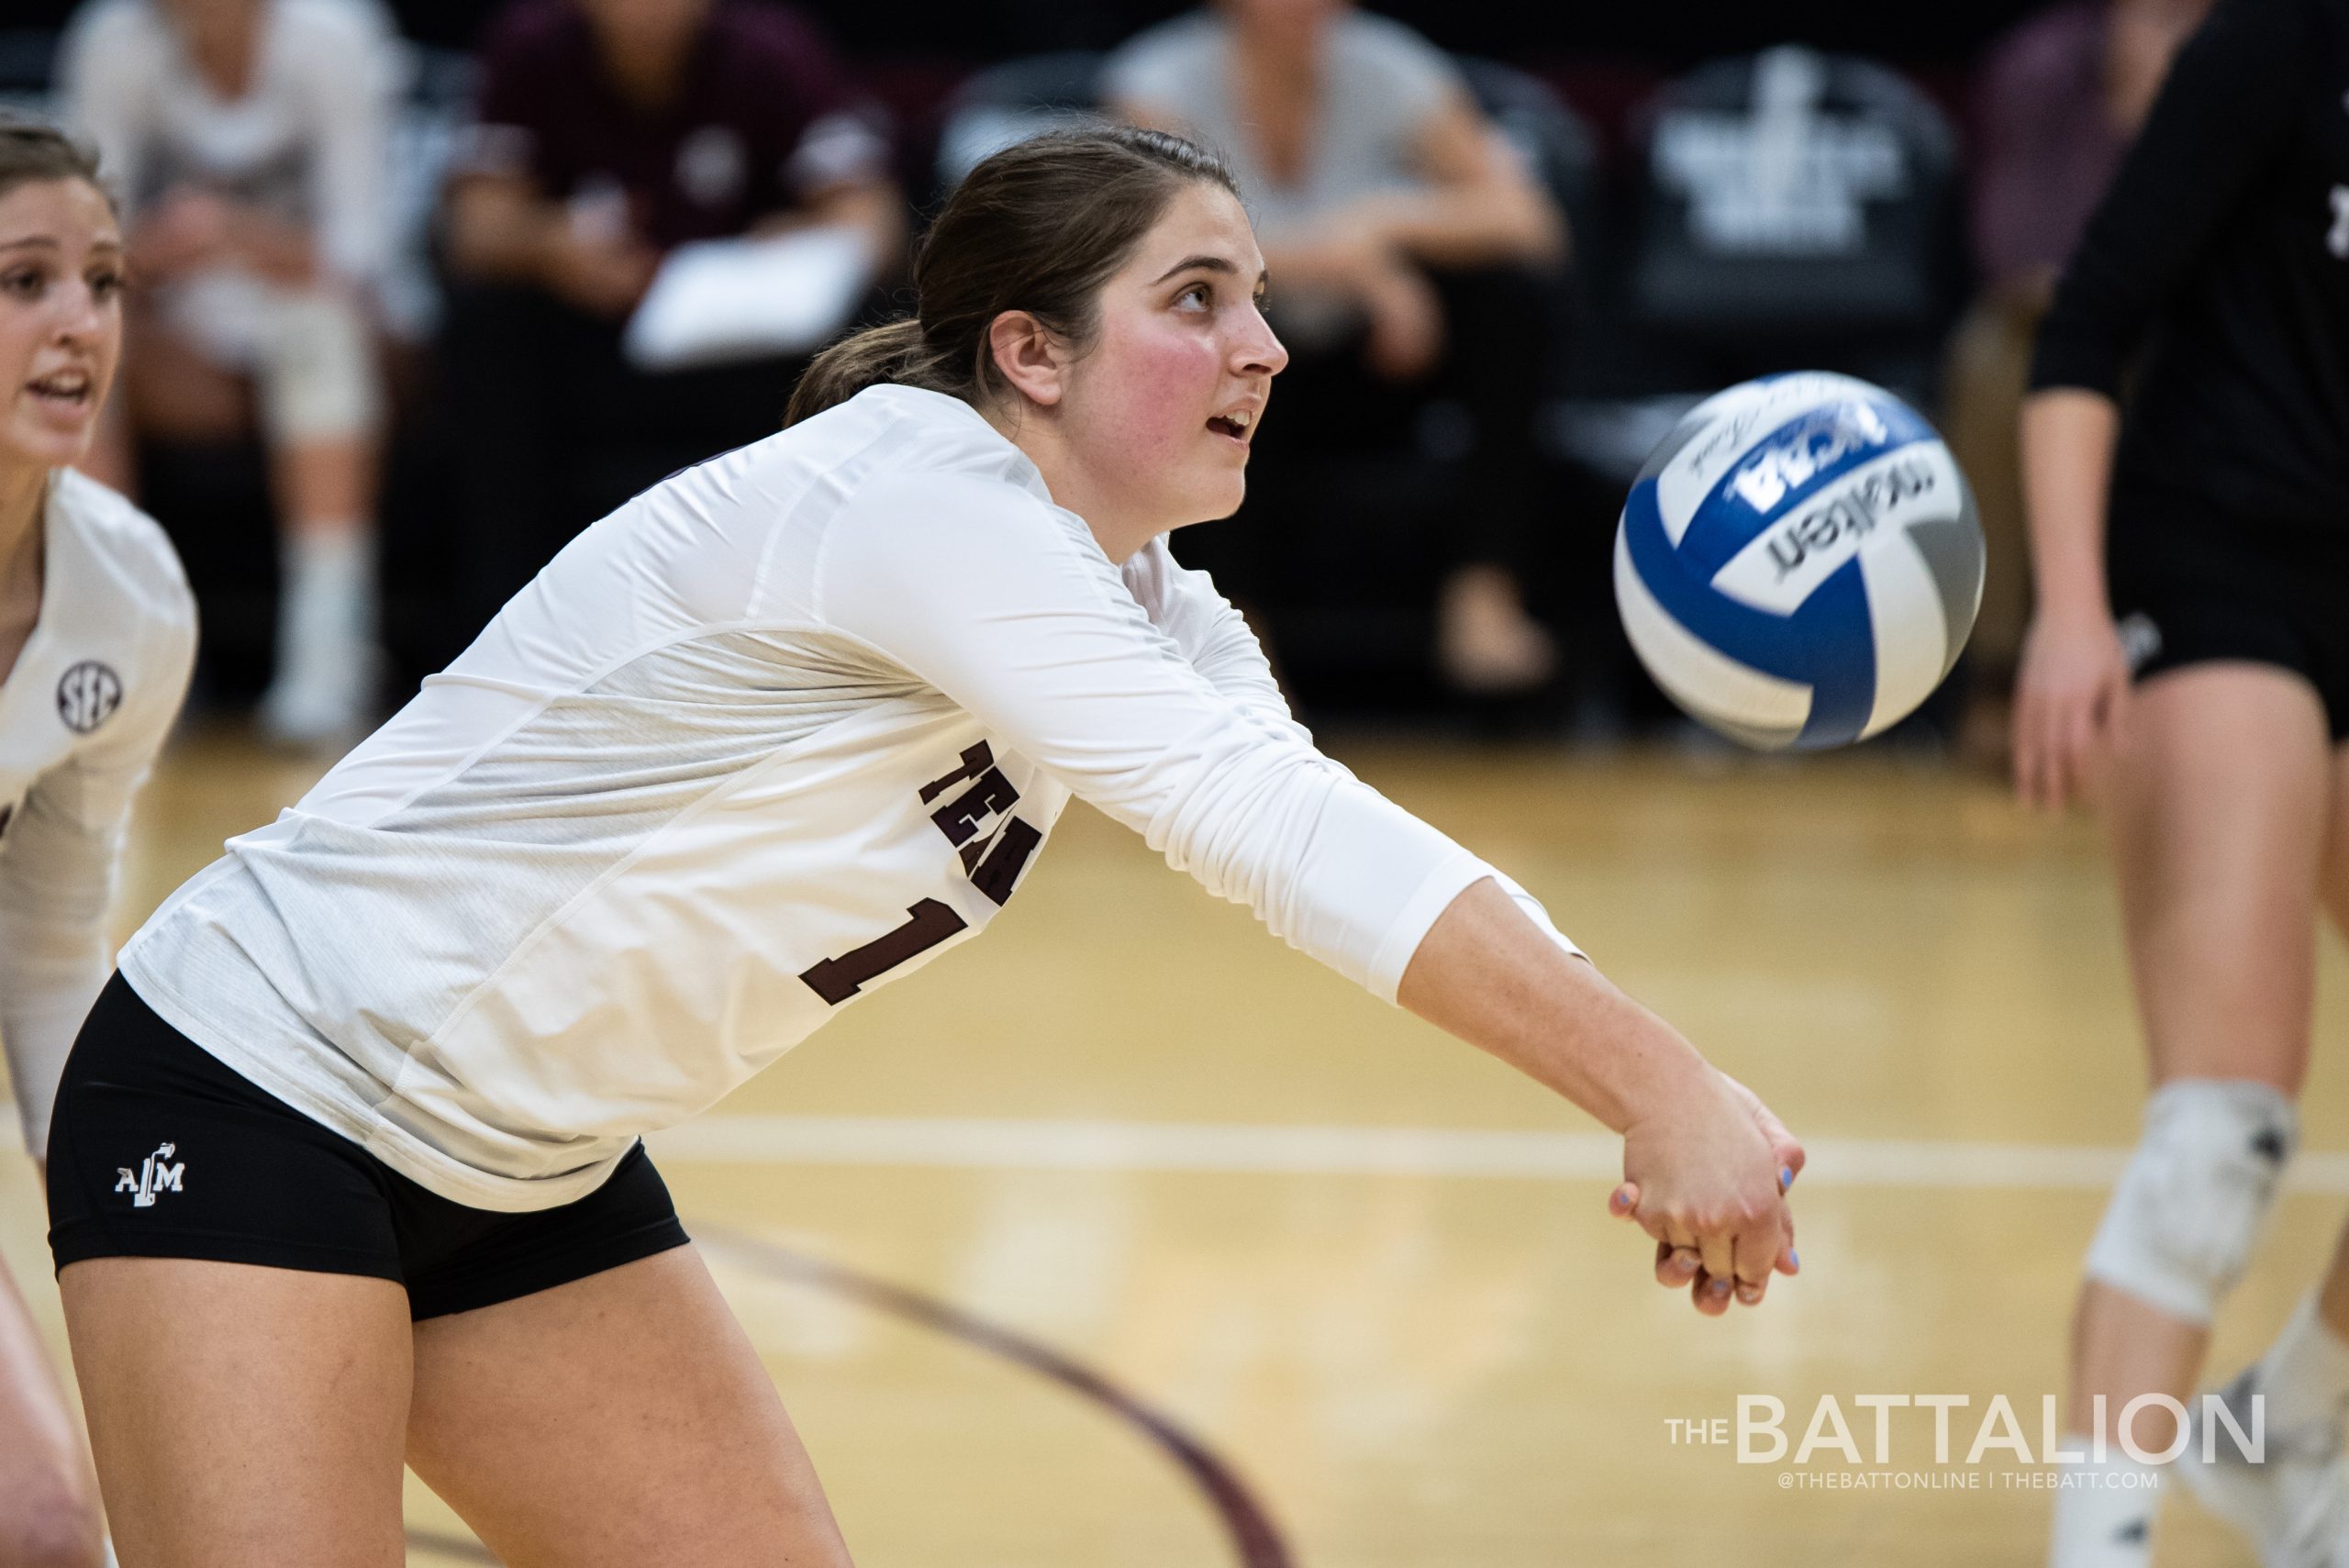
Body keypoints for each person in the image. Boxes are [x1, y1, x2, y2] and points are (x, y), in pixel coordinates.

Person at [43, 126, 1798, 1564]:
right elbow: (1266, 822)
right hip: (258, 1090)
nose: (1264, 344)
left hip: (522, 1166)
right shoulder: (913, 496)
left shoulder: (1153, 615)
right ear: (1030, 351)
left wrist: (1654, 1074)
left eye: (1260, 298)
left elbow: (1328, 839)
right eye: (1199, 297)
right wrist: (1655, 1082)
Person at [2011, 0, 2349, 1562]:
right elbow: (2084, 331)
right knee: (2223, 1128)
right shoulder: (2281, 47)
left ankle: (2284, 1437)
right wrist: (2072, 612)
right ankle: (2103, 1543)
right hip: (2223, 573)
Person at [1104, 0, 1567, 695]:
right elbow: (1154, 250)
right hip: (1241, 364)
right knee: (1181, 330)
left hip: (1374, 364)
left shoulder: (1390, 64)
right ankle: (1231, 633)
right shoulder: (1158, 79)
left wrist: (1384, 225)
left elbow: (1531, 222)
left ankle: (1483, 595)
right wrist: (1348, 266)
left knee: (1512, 298)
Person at [440, 0, 900, 637]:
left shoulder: (772, 52)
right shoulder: (530, 50)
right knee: (485, 321)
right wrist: (547, 246)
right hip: (591, 348)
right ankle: (502, 626)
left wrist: (793, 240)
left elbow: (871, 223)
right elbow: (473, 228)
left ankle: (823, 629)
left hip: (734, 355)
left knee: (868, 325)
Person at [0, 117, 198, 1568]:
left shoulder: (128, 599)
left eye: (105, 280)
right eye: (23, 282)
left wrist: (122, 1224)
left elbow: (46, 948)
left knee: (49, 1526)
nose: (79, 322)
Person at [56, 0, 398, 746]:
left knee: (323, 342)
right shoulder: (111, 42)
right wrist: (160, 252)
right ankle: (123, 659)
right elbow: (82, 259)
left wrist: (234, 234)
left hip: (311, 323)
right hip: (172, 334)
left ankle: (328, 663)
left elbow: (359, 264)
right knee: (73, 344)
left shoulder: (338, 39)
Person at [1941, 0, 2210, 730]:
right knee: (1997, 353)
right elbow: (2015, 243)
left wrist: (2172, 120)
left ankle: (2181, 665)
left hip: (2217, 324)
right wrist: (2123, 114)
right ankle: (1997, 669)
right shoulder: (2039, 65)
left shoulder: (2269, 53)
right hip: (2080, 314)